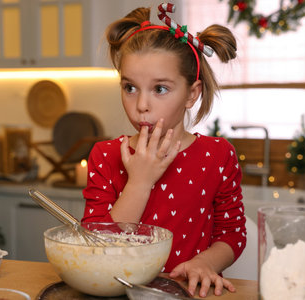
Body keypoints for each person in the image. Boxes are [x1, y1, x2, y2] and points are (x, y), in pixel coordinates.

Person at [82, 3, 246, 298]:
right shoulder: (105, 155)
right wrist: (140, 183)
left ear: (191, 94)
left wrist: (204, 262)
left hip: (188, 292)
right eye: (130, 87)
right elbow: (96, 245)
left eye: (159, 89)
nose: (141, 104)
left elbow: (232, 233)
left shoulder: (218, 155)